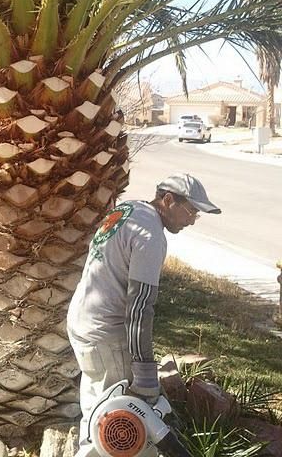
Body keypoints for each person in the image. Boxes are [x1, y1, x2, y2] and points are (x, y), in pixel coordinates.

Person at [66, 173, 221, 457]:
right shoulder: (150, 235)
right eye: (190, 212)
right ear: (168, 200)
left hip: (83, 321)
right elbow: (139, 309)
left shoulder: (126, 210)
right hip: (107, 334)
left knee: (96, 412)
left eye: (196, 215)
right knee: (117, 424)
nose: (191, 221)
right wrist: (145, 374)